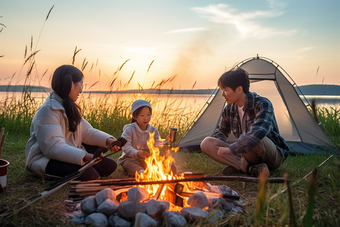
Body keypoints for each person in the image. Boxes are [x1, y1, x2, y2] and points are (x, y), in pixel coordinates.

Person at [25, 65, 120, 181]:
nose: (81, 89)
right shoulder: (47, 111)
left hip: (69, 152)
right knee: (91, 176)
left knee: (109, 166)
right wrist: (85, 156)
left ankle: (82, 164)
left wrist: (108, 141)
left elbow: (86, 132)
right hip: (46, 158)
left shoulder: (69, 106)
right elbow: (53, 147)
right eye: (81, 84)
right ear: (71, 84)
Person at [200, 68, 290, 177]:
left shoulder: (263, 104)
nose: (223, 94)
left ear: (239, 89)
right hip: (246, 153)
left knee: (252, 138)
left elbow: (258, 132)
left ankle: (246, 166)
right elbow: (221, 132)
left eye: (225, 90)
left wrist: (230, 149)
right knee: (207, 143)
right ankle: (248, 168)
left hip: (270, 155)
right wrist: (219, 147)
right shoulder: (229, 109)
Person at [118, 100, 163, 176]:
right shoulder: (129, 130)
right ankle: (141, 173)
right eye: (142, 115)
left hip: (147, 158)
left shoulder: (153, 130)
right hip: (130, 158)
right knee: (129, 164)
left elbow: (158, 144)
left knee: (160, 161)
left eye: (148, 115)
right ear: (134, 116)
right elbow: (126, 146)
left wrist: (164, 143)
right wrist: (137, 153)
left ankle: (164, 170)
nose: (146, 118)